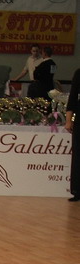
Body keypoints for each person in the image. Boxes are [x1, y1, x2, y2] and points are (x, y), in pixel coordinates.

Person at [65, 67, 79, 202]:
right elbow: (73, 98)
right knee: (78, 155)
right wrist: (68, 120)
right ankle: (77, 191)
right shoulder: (79, 73)